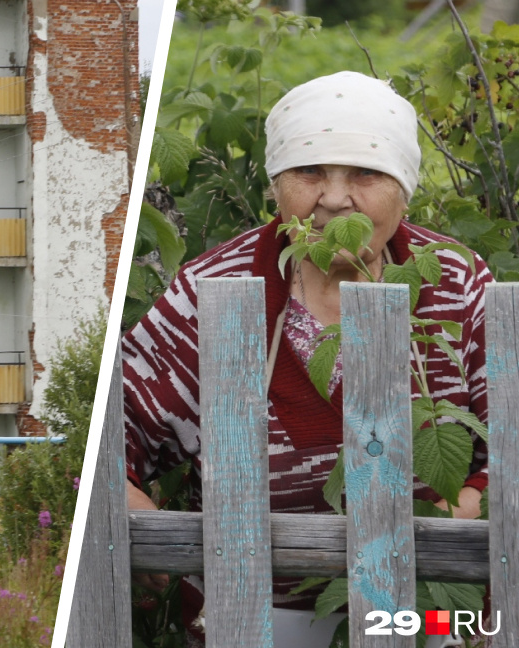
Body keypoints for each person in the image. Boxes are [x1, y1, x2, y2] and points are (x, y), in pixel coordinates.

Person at [121, 71, 489, 647]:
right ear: (276, 185)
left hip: (429, 612)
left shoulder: (453, 282)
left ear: (405, 187)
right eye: (310, 171)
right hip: (251, 621)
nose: (335, 198)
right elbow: (106, 447)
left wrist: (444, 529)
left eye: (366, 173)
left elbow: (507, 447)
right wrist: (158, 550)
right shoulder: (212, 290)